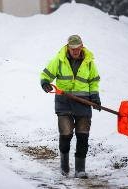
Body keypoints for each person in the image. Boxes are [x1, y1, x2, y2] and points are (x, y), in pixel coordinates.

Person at [40, 35, 101, 178]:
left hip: (83, 103)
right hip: (64, 102)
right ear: (68, 47)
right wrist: (45, 83)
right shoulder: (59, 60)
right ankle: (64, 165)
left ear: (82, 46)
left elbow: (94, 81)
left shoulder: (89, 62)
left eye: (78, 48)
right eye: (73, 48)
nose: (75, 51)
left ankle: (80, 169)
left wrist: (95, 97)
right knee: (66, 133)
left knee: (83, 136)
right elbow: (46, 74)